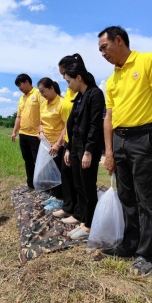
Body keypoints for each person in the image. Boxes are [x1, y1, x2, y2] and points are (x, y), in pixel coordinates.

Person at [98, 25, 152, 277]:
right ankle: (130, 244)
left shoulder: (149, 60)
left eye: (104, 47)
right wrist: (109, 151)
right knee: (126, 197)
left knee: (146, 199)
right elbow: (108, 118)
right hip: (119, 140)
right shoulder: (111, 79)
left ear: (118, 40)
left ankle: (148, 255)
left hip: (143, 137)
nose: (102, 53)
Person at [63, 62, 105, 240]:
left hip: (88, 147)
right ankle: (82, 217)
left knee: (88, 186)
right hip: (76, 146)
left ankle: (89, 225)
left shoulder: (95, 94)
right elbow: (72, 125)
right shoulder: (79, 97)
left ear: (78, 78)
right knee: (78, 184)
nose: (68, 85)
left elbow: (95, 125)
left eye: (69, 81)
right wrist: (68, 148)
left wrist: (88, 151)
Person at [52, 54, 89, 223]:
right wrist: (64, 143)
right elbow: (68, 120)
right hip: (69, 140)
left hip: (79, 141)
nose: (64, 78)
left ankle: (79, 212)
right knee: (67, 175)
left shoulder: (82, 91)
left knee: (79, 181)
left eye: (65, 73)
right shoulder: (69, 90)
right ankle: (69, 207)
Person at [11, 74, 44, 192]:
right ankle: (31, 185)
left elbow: (44, 112)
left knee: (38, 161)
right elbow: (18, 116)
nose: (19, 88)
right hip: (23, 134)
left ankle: (42, 186)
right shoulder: (21, 99)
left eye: (20, 85)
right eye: (18, 86)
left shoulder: (38, 93)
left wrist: (42, 130)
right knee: (28, 160)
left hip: (35, 135)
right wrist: (14, 131)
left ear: (26, 82)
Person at [36, 77, 65, 209]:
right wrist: (40, 132)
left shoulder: (62, 103)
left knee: (59, 172)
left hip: (58, 145)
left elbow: (66, 126)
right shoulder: (44, 104)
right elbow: (41, 123)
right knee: (49, 172)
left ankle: (61, 199)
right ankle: (54, 195)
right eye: (40, 92)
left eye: (44, 91)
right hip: (46, 144)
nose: (42, 95)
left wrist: (58, 144)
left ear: (52, 88)